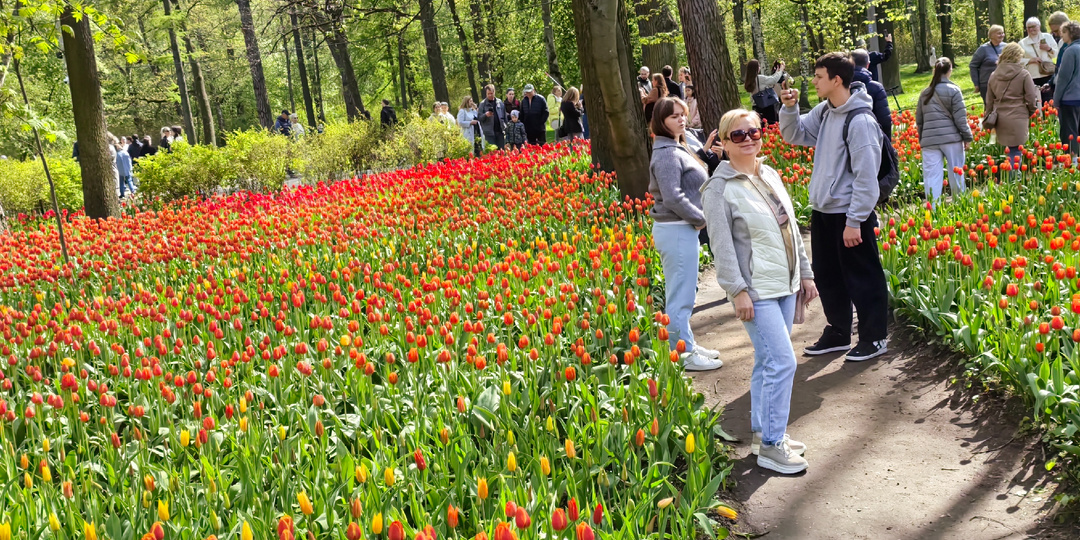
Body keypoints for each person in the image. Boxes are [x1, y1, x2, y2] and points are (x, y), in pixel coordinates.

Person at [702, 108, 816, 474]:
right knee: (782, 361)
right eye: (738, 135)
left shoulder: (768, 173)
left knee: (768, 361)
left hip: (784, 282)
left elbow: (790, 227)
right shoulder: (718, 189)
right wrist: (737, 291)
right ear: (722, 143)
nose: (748, 138)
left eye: (753, 132)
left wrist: (806, 273)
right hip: (756, 290)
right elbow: (721, 246)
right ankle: (771, 446)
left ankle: (763, 433)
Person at [779, 52, 889, 362]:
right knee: (828, 276)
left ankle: (875, 337)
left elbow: (867, 178)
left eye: (818, 77)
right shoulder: (825, 111)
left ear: (836, 79)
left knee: (863, 276)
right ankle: (839, 331)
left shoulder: (861, 121)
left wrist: (855, 220)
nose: (813, 82)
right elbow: (794, 135)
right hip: (824, 210)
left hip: (849, 213)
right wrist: (789, 108)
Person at [647, 96, 723, 372]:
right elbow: (673, 197)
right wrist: (701, 219)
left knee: (684, 293)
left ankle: (686, 343)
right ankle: (683, 354)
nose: (680, 119)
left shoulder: (678, 145)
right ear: (660, 121)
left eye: (682, 114)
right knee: (681, 297)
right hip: (677, 228)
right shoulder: (667, 153)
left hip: (680, 229)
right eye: (673, 116)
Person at [916, 57, 973, 201]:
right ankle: (960, 205)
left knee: (931, 177)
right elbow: (960, 119)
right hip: (951, 139)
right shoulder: (954, 90)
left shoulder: (925, 93)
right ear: (950, 70)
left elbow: (919, 121)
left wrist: (923, 139)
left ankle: (932, 210)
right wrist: (967, 137)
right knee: (956, 174)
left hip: (930, 141)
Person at [986, 43, 1039, 167]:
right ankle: (1013, 180)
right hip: (1019, 115)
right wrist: (1030, 111)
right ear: (1017, 56)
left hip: (1000, 118)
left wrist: (988, 116)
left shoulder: (993, 76)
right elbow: (1031, 97)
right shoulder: (1023, 74)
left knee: (1010, 150)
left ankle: (1010, 179)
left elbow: (989, 100)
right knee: (1016, 151)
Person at [850, 49, 893, 139]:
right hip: (873, 136)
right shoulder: (876, 88)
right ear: (868, 64)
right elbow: (885, 120)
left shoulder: (841, 86)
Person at [1054, 22, 1080, 158]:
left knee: (1070, 133)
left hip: (1071, 98)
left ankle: (1072, 162)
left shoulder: (1070, 50)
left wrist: (1056, 99)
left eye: (1063, 32)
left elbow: (1063, 78)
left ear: (1070, 33)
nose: (1061, 35)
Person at [1020, 17, 1059, 103]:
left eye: (1033, 26)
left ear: (1039, 26)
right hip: (1033, 76)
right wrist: (1030, 60)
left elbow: (1057, 55)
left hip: (1048, 75)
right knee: (1036, 101)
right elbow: (1018, 60)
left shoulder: (1048, 37)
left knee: (1049, 101)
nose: (1031, 29)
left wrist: (1048, 49)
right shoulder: (1022, 43)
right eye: (1029, 27)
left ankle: (1050, 116)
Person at [744, 59, 786, 125]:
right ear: (756, 68)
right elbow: (773, 80)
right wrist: (781, 70)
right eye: (759, 66)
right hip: (767, 106)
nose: (760, 68)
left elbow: (771, 78)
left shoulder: (749, 80)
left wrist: (776, 72)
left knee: (762, 125)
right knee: (772, 125)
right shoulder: (760, 78)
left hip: (756, 106)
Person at [970, 25, 1006, 103]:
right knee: (989, 107)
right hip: (987, 83)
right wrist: (976, 83)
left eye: (1003, 33)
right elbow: (973, 65)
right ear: (991, 35)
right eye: (999, 33)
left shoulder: (1006, 47)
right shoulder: (983, 49)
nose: (1002, 35)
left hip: (1004, 82)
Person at [477, 84, 506, 149]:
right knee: (492, 153)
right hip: (489, 133)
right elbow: (479, 118)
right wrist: (485, 115)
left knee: (501, 152)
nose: (490, 95)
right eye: (488, 94)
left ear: (494, 92)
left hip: (500, 131)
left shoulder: (499, 102)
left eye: (491, 93)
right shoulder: (482, 104)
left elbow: (504, 116)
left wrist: (505, 127)